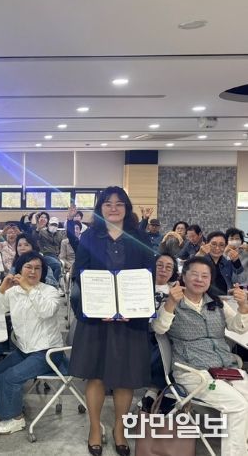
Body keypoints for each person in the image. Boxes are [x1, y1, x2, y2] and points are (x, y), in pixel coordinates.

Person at [68, 186, 155, 456]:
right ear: (100, 208)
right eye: (108, 204)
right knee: (95, 375)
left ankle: (119, 428)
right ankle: (95, 427)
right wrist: (95, 307)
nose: (113, 208)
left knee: (125, 378)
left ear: (126, 208)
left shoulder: (139, 237)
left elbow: (148, 274)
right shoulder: (90, 237)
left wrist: (136, 307)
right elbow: (80, 275)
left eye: (119, 203)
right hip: (97, 317)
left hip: (130, 318)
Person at [153, 256, 248, 456]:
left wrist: (243, 308)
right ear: (183, 276)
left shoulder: (217, 303)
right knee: (238, 406)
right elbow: (159, 328)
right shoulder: (173, 301)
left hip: (226, 368)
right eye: (194, 274)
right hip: (194, 373)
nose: (199, 279)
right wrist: (170, 302)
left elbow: (238, 327)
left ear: (210, 279)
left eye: (205, 276)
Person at [0, 251, 63, 435]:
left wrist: (28, 288)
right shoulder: (14, 292)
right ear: (20, 269)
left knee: (10, 377)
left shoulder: (50, 292)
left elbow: (46, 311)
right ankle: (2, 408)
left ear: (43, 272)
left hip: (48, 352)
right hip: (24, 350)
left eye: (37, 268)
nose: (33, 271)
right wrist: (2, 289)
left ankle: (15, 418)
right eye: (28, 267)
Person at [140, 253, 179, 411]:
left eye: (169, 267)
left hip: (160, 332)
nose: (163, 270)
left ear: (173, 271)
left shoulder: (174, 291)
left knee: (161, 343)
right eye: (159, 265)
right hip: (137, 328)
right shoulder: (140, 285)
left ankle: (154, 390)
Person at [196, 231, 244, 296]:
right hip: (202, 298)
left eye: (221, 245)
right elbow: (187, 272)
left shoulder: (228, 262)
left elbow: (240, 281)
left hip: (225, 299)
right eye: (214, 244)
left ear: (225, 246)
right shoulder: (201, 260)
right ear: (207, 244)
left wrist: (236, 263)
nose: (217, 248)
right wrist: (200, 254)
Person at [32, 216, 65, 281]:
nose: (53, 226)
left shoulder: (60, 234)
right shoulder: (42, 232)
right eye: (52, 224)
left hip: (58, 255)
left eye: (55, 225)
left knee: (57, 266)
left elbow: (64, 244)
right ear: (48, 224)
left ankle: (53, 281)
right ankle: (54, 284)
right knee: (57, 265)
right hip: (46, 254)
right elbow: (35, 238)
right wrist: (37, 229)